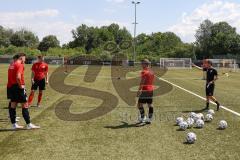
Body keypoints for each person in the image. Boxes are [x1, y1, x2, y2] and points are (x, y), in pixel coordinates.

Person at [7, 53, 40, 129]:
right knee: (25, 105)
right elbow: (18, 77)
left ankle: (14, 125)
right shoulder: (20, 65)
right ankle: (29, 124)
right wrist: (20, 86)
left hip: (11, 87)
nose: (25, 60)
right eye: (25, 58)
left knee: (13, 105)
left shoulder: (11, 65)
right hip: (18, 87)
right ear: (21, 58)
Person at [137, 59, 155, 124]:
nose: (141, 65)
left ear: (145, 64)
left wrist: (139, 90)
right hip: (151, 90)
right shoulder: (152, 72)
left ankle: (143, 117)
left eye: (142, 63)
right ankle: (149, 119)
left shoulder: (144, 72)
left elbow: (142, 82)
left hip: (145, 90)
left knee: (139, 105)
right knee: (150, 104)